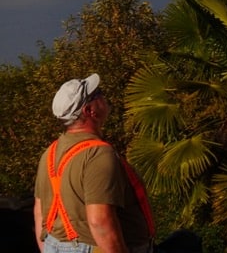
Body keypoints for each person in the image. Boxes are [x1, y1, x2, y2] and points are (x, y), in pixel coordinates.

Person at [33, 74, 154, 253]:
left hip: (55, 245)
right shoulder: (98, 154)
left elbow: (40, 213)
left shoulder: (49, 154)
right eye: (98, 94)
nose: (104, 97)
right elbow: (100, 222)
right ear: (89, 110)